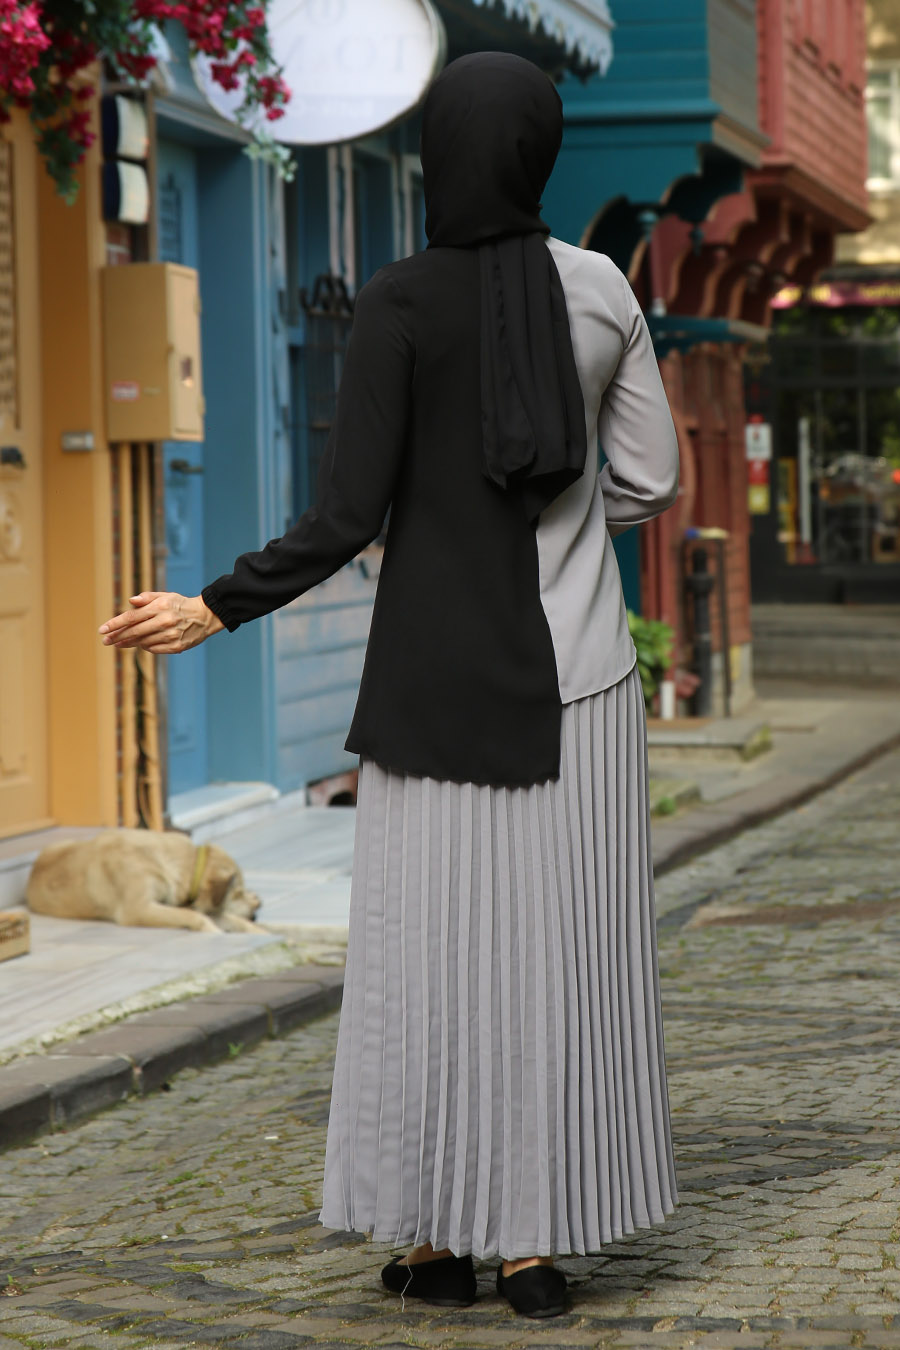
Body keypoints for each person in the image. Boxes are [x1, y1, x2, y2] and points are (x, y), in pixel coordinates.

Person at [99, 51, 680, 1320]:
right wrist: (561, 516)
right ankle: (538, 1248)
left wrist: (214, 603)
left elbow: (346, 508)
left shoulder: (397, 299)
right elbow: (649, 480)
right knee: (560, 966)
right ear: (540, 154)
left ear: (436, 156)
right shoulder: (603, 293)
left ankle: (435, 1243)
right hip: (579, 687)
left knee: (426, 968)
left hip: (427, 692)